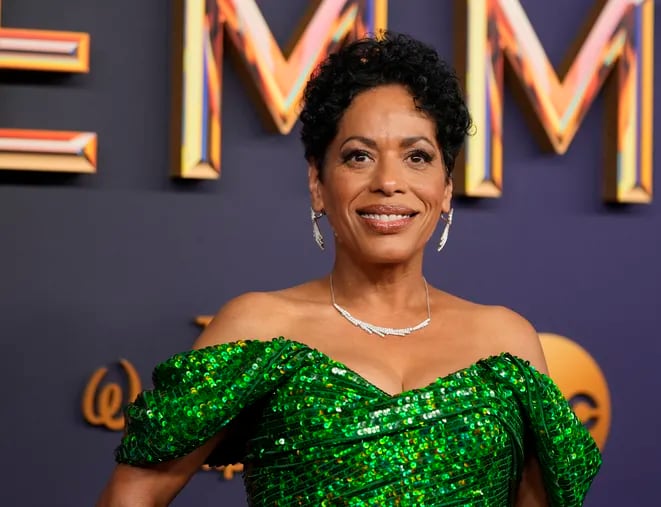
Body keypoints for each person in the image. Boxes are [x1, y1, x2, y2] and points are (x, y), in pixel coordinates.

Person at [96, 32, 601, 506]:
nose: (389, 182)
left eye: (418, 157)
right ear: (318, 182)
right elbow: (134, 493)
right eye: (359, 156)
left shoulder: (506, 344)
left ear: (446, 189)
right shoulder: (259, 329)